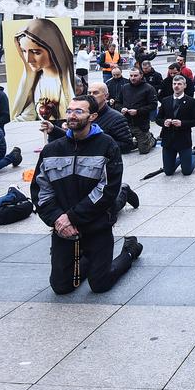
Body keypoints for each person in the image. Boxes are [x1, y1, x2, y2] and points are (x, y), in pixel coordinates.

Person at [32, 95, 143, 294]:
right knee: (61, 287)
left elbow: (106, 191)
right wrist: (58, 220)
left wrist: (72, 217)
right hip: (63, 227)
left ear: (92, 116)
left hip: (96, 225)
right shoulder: (51, 149)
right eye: (69, 111)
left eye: (78, 111)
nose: (71, 115)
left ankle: (130, 251)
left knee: (100, 284)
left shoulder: (107, 146)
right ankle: (86, 258)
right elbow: (41, 190)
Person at [9, 19, 77, 123]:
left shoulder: (71, 81)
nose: (28, 59)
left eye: (36, 52)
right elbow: (30, 113)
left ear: (53, 49)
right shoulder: (35, 81)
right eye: (24, 51)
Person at [156, 74, 195, 176]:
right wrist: (164, 122)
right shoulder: (166, 100)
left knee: (187, 171)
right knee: (168, 172)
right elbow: (158, 119)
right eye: (174, 84)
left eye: (179, 84)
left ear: (184, 86)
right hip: (168, 140)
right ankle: (181, 159)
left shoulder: (191, 101)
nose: (176, 86)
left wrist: (182, 123)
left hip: (183, 139)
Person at [118, 67, 158, 155]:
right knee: (122, 149)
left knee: (143, 150)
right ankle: (138, 142)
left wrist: (138, 111)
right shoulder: (125, 87)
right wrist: (121, 108)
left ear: (141, 75)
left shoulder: (148, 88)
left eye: (135, 75)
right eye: (131, 75)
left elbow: (153, 105)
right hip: (126, 122)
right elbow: (117, 103)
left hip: (140, 124)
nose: (133, 78)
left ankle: (151, 139)